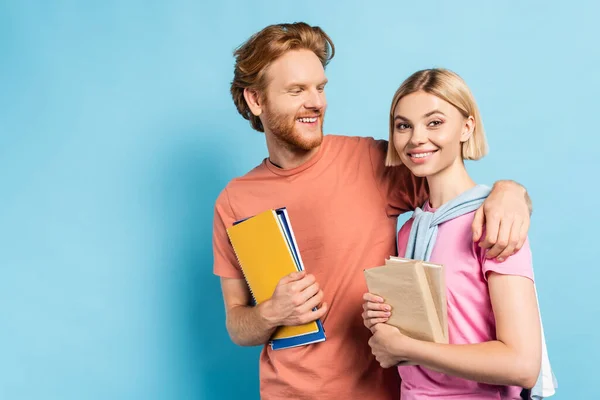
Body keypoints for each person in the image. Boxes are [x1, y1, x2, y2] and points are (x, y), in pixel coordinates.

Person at [213, 23, 532, 400]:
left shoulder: (370, 161)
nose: (316, 101)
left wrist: (511, 192)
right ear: (256, 100)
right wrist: (270, 313)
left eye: (320, 87)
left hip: (383, 392)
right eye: (297, 90)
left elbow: (455, 190)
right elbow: (237, 324)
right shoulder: (235, 200)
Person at [362, 68, 547, 399]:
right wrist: (384, 321)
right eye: (404, 125)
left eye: (434, 122)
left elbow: (522, 364)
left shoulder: (495, 220)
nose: (416, 137)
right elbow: (437, 328)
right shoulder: (408, 229)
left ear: (467, 127)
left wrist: (405, 347)